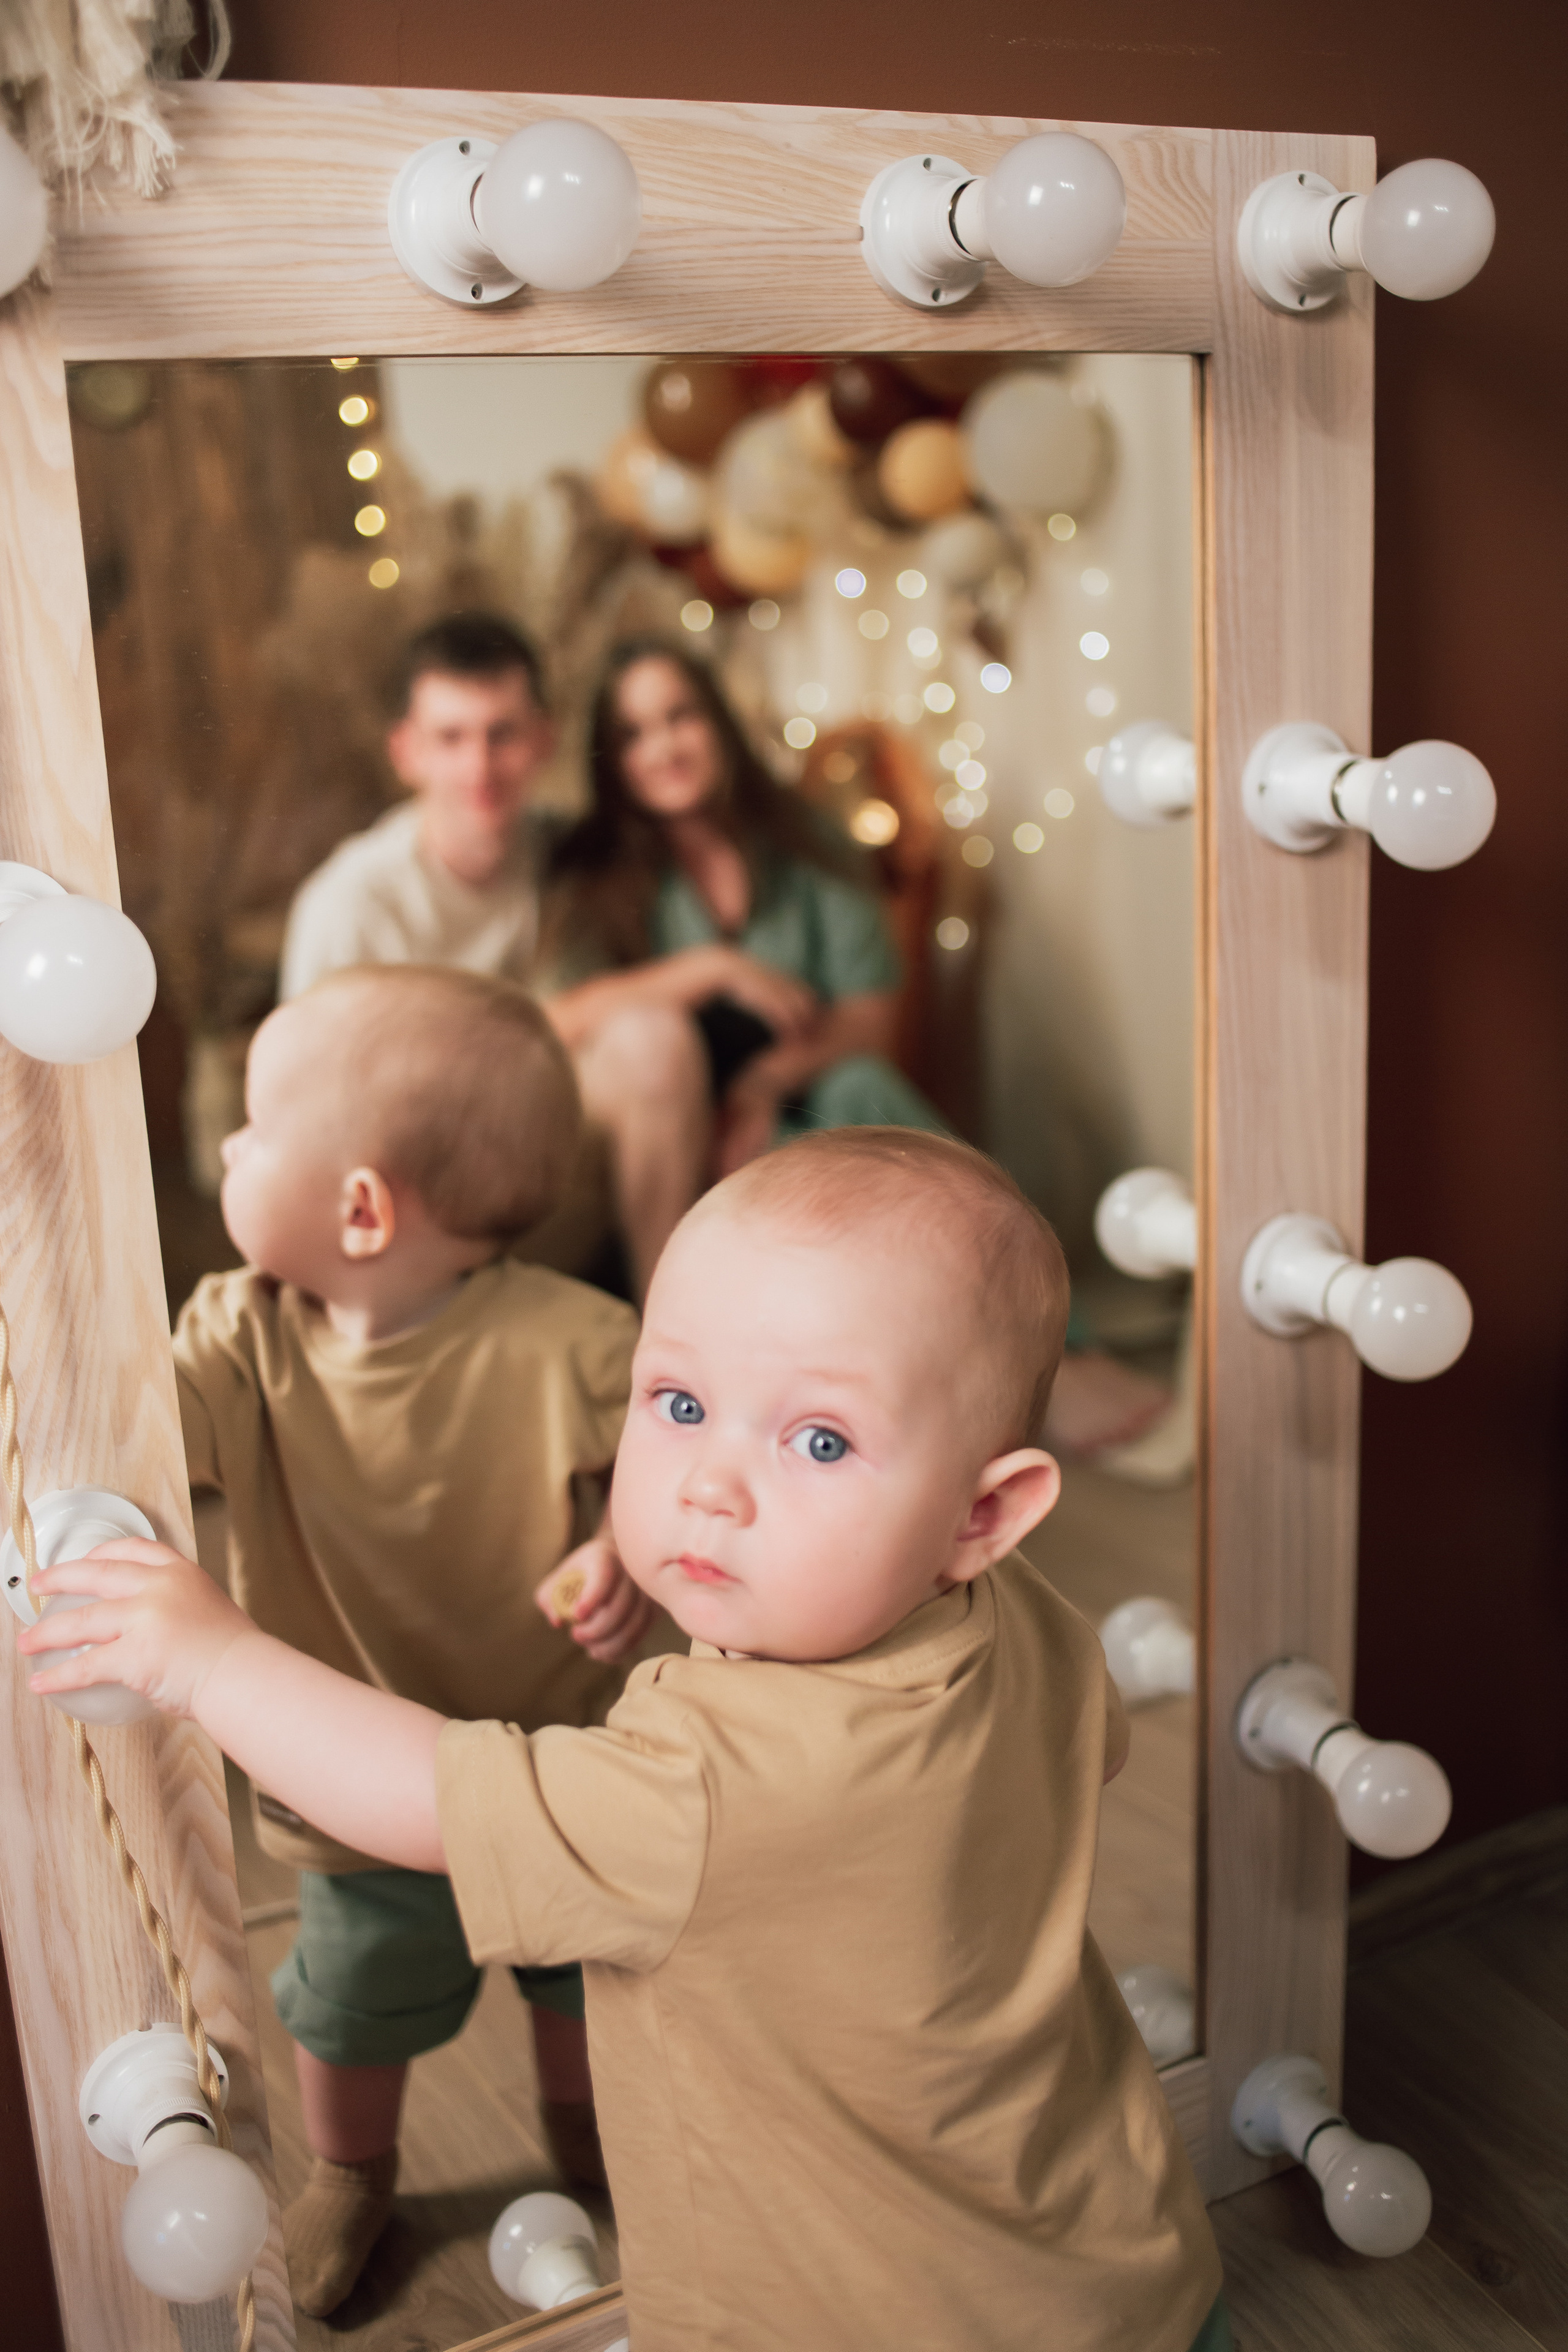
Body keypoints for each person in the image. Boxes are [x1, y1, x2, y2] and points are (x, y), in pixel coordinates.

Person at [26, 1128, 1230, 2352]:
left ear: (983, 1511)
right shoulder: (1021, 1614)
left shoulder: (708, 1782)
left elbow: (430, 1799)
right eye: (680, 1404)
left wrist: (210, 1661)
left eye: (820, 1441)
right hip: (1115, 2264)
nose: (710, 1486)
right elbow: (1082, 1748)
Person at [164, 963, 653, 2316]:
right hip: (355, 1792)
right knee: (349, 1999)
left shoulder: (576, 1341)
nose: (228, 1148)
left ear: (363, 1209)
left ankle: (590, 2129)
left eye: (254, 1126)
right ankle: (351, 2168)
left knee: (586, 1976)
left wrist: (626, 1548)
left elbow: (674, 1462)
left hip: (557, 1763)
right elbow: (144, 1437)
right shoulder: (237, 1341)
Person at [279, 613, 714, 1300]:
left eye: (502, 734)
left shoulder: (565, 854)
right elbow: (305, 1102)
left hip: (548, 1118)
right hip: (409, 1147)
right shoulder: (351, 904)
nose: (479, 767)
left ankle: (670, 1319)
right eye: (450, 738)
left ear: (544, 739)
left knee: (654, 1041)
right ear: (405, 752)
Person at [540, 636, 947, 1182]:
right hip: (670, 1123)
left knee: (860, 1090)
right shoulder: (592, 872)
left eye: (681, 717)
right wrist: (715, 969)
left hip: (802, 1101)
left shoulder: (810, 843)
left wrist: (763, 1083)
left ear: (720, 722)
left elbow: (871, 1021)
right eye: (632, 735)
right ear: (612, 761)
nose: (664, 750)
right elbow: (560, 1018)